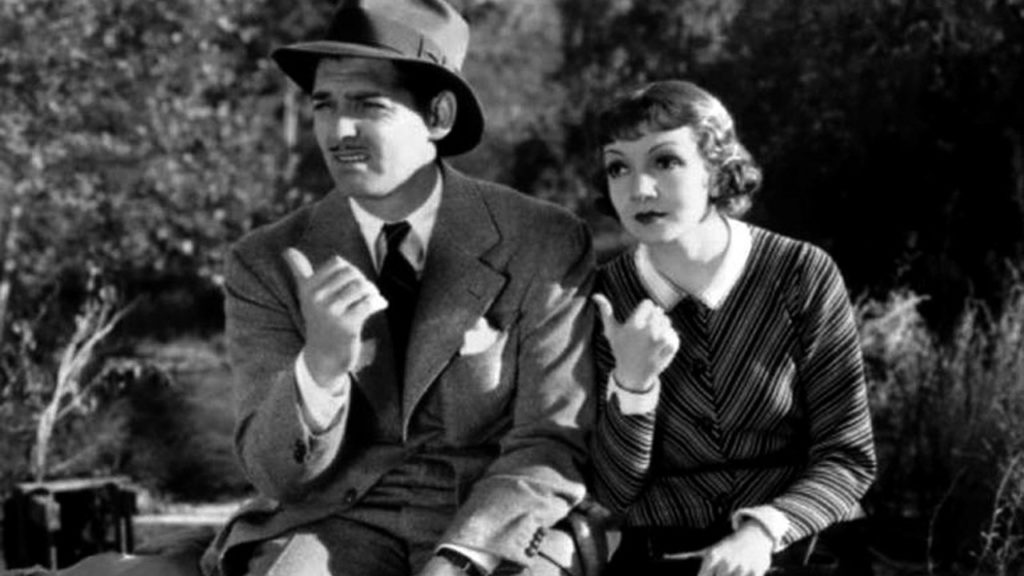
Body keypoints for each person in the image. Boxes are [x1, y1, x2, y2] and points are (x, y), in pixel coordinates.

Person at [196, 1, 595, 575]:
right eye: (324, 105)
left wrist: (462, 557)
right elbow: (274, 473)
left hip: (494, 520)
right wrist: (320, 369)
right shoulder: (267, 262)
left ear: (439, 115)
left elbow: (552, 439)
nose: (339, 131)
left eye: (368, 105)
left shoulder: (541, 240)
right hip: (337, 518)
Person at [587, 80, 876, 576]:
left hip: (803, 544)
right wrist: (633, 384)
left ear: (716, 170)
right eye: (619, 168)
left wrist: (762, 531)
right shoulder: (604, 297)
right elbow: (614, 493)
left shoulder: (800, 272)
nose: (639, 190)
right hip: (662, 555)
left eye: (665, 161)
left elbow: (848, 456)